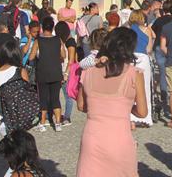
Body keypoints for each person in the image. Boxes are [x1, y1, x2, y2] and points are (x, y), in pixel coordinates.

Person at [76, 27, 148, 176]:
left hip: (92, 138)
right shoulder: (134, 74)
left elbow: (81, 105)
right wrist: (126, 107)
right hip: (119, 139)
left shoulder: (88, 71)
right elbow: (142, 112)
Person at [29, 16, 65, 132]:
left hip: (42, 72)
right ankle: (58, 123)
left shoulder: (38, 40)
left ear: (42, 27)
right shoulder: (58, 40)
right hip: (56, 72)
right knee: (55, 98)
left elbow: (31, 57)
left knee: (43, 98)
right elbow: (63, 55)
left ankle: (43, 123)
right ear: (52, 27)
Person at [0, 40, 29, 140]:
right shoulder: (20, 71)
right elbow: (27, 95)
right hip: (18, 117)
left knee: (9, 146)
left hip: (1, 120)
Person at [129, 10, 155, 128]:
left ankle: (131, 119)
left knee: (131, 88)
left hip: (131, 58)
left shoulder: (129, 30)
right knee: (145, 88)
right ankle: (145, 116)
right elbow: (149, 49)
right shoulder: (147, 30)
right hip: (143, 59)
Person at [55, 21, 77, 126]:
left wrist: (66, 74)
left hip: (67, 71)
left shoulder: (70, 42)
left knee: (68, 95)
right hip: (62, 70)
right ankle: (62, 115)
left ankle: (67, 117)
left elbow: (71, 60)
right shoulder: (63, 41)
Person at [150, 1, 172, 107]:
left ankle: (164, 94)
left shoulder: (159, 20)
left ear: (163, 11)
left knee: (163, 71)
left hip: (159, 47)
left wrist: (156, 38)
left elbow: (151, 31)